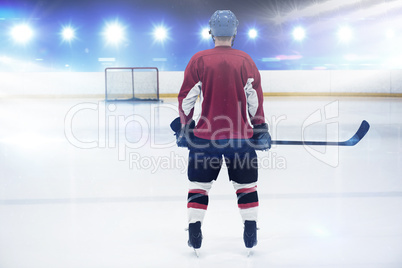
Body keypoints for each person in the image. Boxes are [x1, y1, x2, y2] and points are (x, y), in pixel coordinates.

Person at [172, 10, 271, 251]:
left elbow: (187, 99)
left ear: (211, 32)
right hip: (241, 140)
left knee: (199, 186)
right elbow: (254, 100)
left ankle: (194, 231)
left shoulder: (199, 60)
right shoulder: (246, 61)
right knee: (246, 187)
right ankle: (250, 229)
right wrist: (259, 128)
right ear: (235, 32)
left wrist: (186, 127)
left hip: (206, 140)